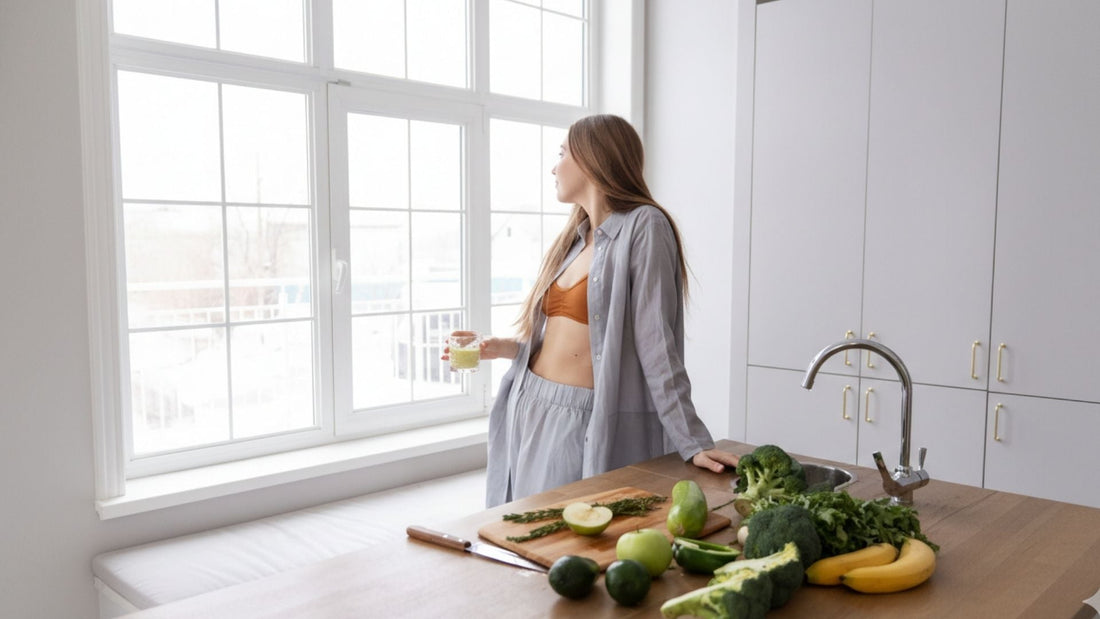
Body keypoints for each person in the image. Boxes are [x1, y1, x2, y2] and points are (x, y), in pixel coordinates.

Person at [448, 114, 738, 507]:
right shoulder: (575, 239)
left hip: (580, 419)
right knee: (523, 535)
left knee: (569, 541)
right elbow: (568, 339)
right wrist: (501, 346)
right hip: (528, 402)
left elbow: (656, 345)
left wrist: (693, 442)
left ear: (591, 159)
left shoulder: (645, 226)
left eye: (563, 153)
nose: (554, 166)